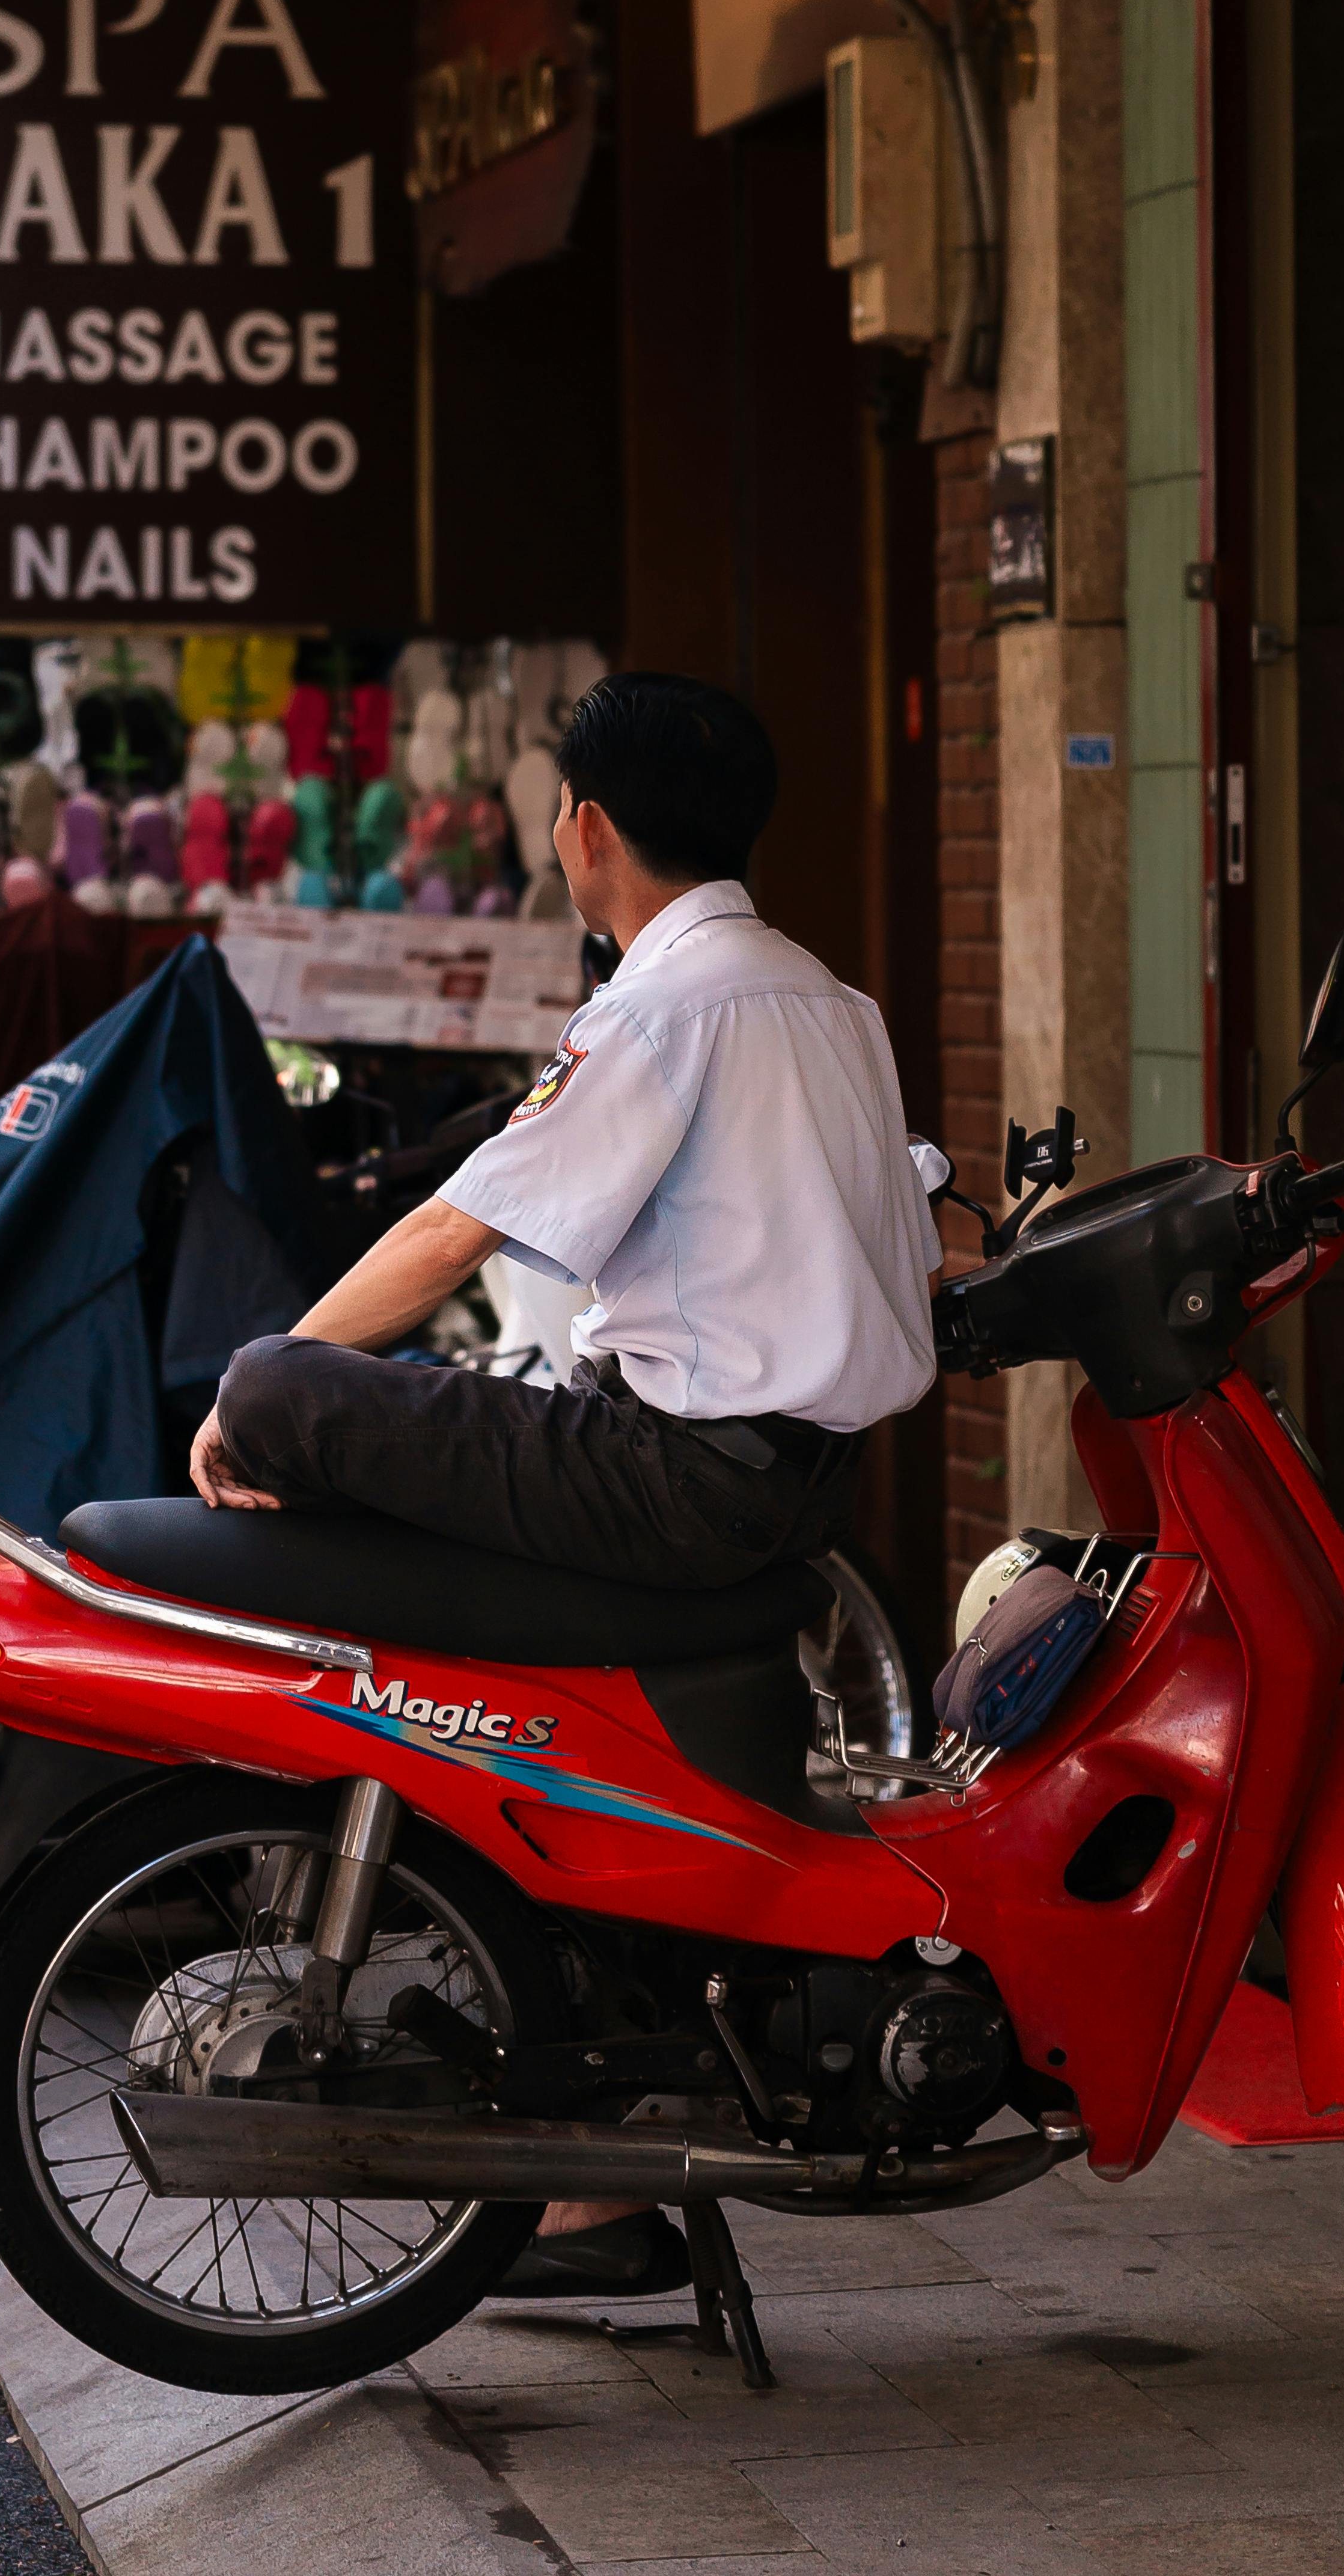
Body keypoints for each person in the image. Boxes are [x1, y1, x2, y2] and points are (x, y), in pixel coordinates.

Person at [189, 667, 945, 2300]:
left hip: (675, 1481)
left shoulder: (664, 1008)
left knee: (275, 1382)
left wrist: (265, 1401)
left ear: (585, 828)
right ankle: (591, 2190)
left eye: (556, 813)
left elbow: (459, 1229)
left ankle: (578, 2162)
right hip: (790, 1490)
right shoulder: (828, 1000)